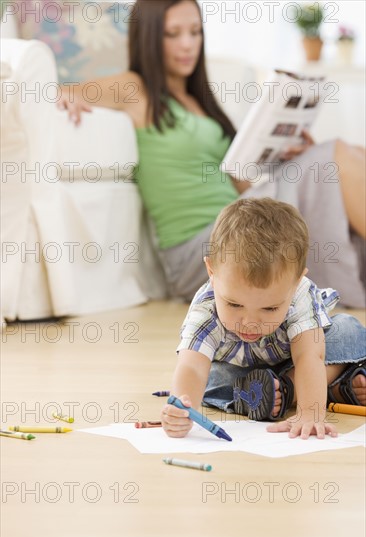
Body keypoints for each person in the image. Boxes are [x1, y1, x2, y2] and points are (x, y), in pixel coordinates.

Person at [58, 0, 366, 307]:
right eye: (173, 34)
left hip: (240, 223)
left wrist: (291, 161)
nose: (188, 45)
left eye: (195, 32)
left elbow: (241, 188)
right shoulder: (134, 88)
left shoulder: (199, 101)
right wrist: (68, 98)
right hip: (203, 249)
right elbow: (54, 90)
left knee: (348, 155)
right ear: (149, 38)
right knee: (335, 155)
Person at [161, 197, 366, 440]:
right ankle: (336, 385)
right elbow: (192, 367)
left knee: (347, 330)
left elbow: (309, 357)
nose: (249, 323)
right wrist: (183, 410)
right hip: (242, 372)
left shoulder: (301, 294)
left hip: (296, 361)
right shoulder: (205, 308)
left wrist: (311, 414)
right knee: (213, 379)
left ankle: (287, 391)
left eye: (269, 309)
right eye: (235, 304)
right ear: (211, 272)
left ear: (296, 282)